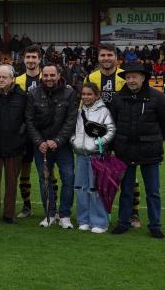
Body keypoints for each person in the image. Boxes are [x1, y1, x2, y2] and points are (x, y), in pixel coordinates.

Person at [85, 43, 141, 228]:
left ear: (116, 57)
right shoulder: (91, 77)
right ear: (98, 57)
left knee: (130, 175)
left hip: (124, 133)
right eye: (103, 55)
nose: (106, 58)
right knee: (101, 174)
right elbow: (85, 104)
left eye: (109, 55)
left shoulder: (125, 77)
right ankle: (103, 211)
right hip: (99, 135)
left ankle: (133, 213)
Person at [111, 63, 165, 238]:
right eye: (128, 77)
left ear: (143, 78)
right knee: (126, 190)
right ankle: (123, 222)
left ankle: (155, 225)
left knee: (153, 191)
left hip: (150, 151)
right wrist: (114, 147)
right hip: (125, 151)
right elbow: (113, 124)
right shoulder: (118, 98)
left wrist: (155, 142)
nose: (131, 80)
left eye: (134, 77)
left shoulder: (157, 97)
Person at [26, 63, 78, 228]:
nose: (49, 78)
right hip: (41, 146)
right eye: (46, 75)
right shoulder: (33, 93)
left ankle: (65, 215)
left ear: (58, 75)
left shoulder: (69, 93)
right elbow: (29, 121)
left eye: (52, 75)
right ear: (42, 76)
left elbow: (71, 120)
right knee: (45, 180)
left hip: (62, 146)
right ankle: (49, 214)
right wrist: (39, 142)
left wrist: (58, 140)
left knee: (68, 179)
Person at [0, 65, 27, 225]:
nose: (1, 80)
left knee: (11, 183)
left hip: (15, 147)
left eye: (4, 77)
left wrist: (20, 136)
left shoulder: (22, 95)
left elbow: (26, 119)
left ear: (12, 79)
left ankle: (9, 215)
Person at [71, 83, 115, 233]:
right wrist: (74, 141)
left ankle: (99, 222)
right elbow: (73, 129)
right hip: (81, 156)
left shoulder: (103, 111)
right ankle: (83, 220)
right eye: (83, 94)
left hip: (96, 156)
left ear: (96, 95)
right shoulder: (78, 111)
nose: (86, 97)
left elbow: (111, 130)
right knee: (81, 188)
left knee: (96, 189)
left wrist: (97, 143)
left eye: (89, 94)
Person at [14, 44, 51, 219]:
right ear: (23, 59)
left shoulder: (50, 78)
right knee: (25, 171)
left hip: (46, 133)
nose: (30, 60)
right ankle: (27, 206)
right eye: (27, 57)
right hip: (24, 134)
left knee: (48, 171)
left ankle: (53, 207)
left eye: (33, 57)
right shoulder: (18, 81)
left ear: (39, 59)